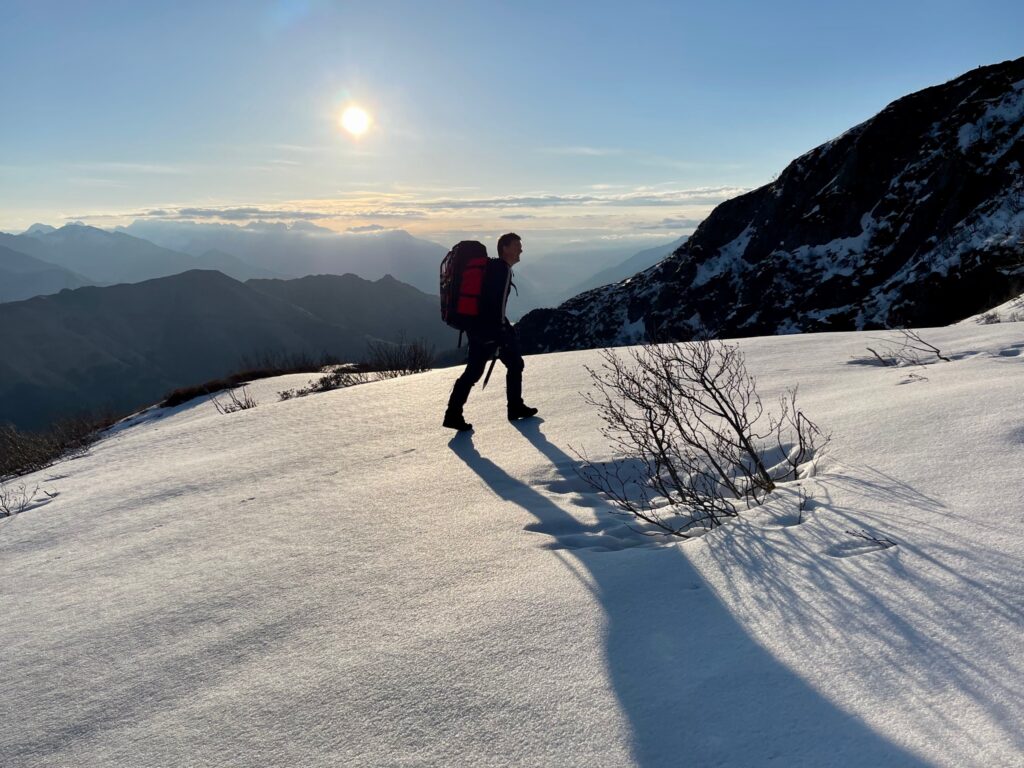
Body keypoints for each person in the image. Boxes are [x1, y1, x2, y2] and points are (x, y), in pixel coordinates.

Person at [443, 233, 538, 431]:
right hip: (490, 331)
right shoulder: (502, 270)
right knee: (511, 365)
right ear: (505, 248)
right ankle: (514, 407)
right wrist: (501, 331)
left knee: (477, 371)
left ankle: (453, 413)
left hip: (478, 328)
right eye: (517, 245)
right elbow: (497, 305)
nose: (521, 249)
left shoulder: (492, 269)